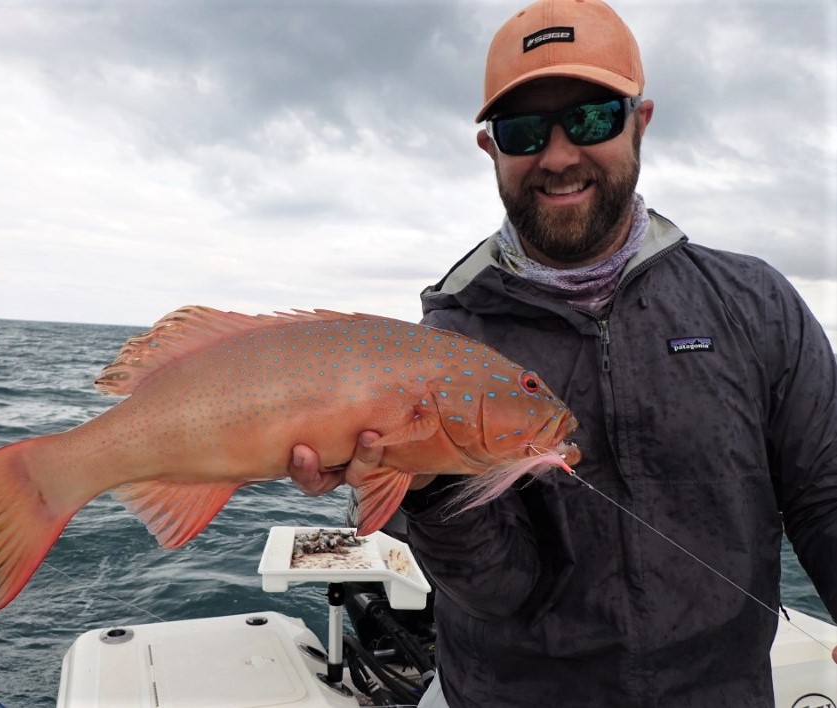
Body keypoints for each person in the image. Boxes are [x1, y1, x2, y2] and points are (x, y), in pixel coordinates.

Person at [290, 0, 837, 705]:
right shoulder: (447, 340)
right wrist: (428, 485)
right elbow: (499, 592)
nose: (557, 156)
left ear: (640, 122)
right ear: (491, 149)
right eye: (523, 130)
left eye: (591, 119)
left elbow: (824, 495)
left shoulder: (754, 301)